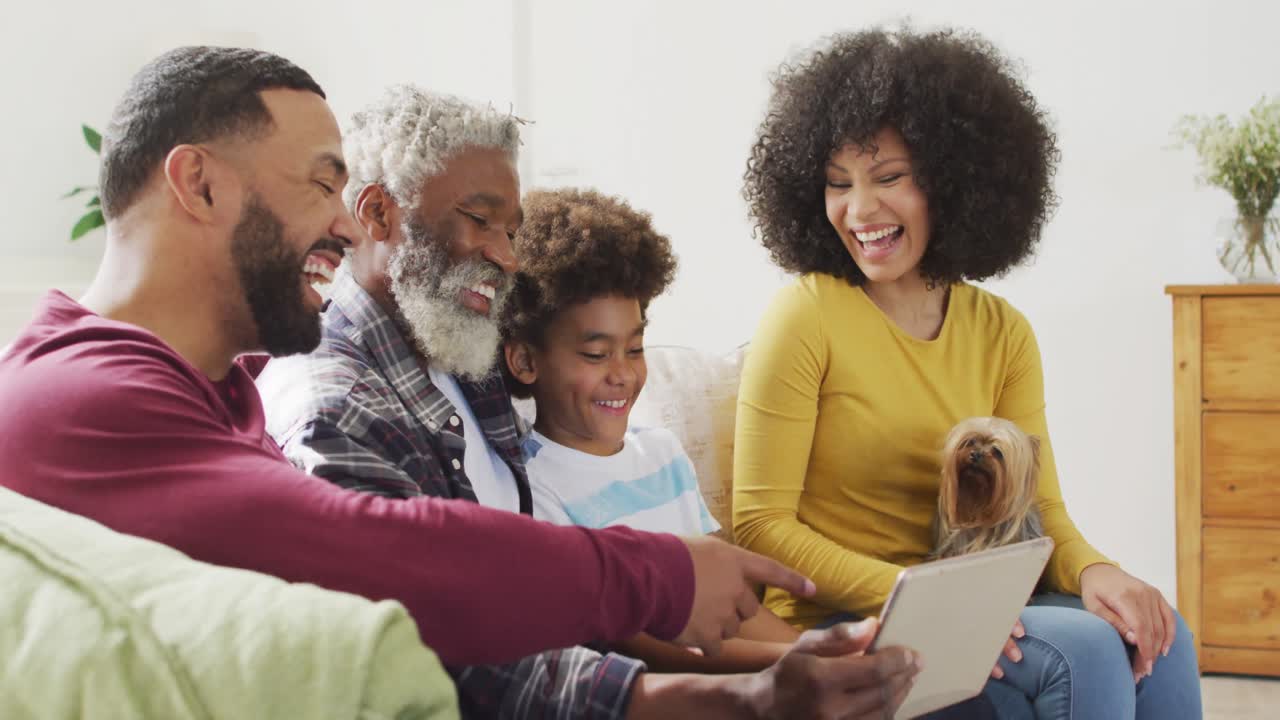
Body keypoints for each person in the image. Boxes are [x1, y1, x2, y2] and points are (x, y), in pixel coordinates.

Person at [0, 45, 813, 672]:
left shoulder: (225, 391)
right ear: (200, 184)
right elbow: (370, 557)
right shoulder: (80, 395)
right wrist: (659, 577)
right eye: (321, 185)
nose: (345, 224)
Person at [255, 86, 921, 720]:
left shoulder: (466, 348)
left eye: (511, 230)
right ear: (377, 213)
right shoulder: (335, 406)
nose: (506, 257)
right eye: (480, 221)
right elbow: (446, 648)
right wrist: (747, 696)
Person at [733, 26, 1203, 719]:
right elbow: (760, 523)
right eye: (838, 184)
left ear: (952, 181)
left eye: (888, 178)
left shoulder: (1002, 331)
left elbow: (1041, 510)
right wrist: (922, 600)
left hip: (969, 603)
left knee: (1163, 632)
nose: (859, 211)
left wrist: (1099, 571)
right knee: (1086, 652)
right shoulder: (806, 315)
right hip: (849, 616)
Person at [502, 187, 803, 674]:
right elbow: (641, 647)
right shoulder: (532, 489)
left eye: (636, 349)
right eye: (596, 354)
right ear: (524, 360)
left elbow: (731, 606)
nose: (622, 373)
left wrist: (821, 652)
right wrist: (792, 664)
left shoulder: (663, 453)